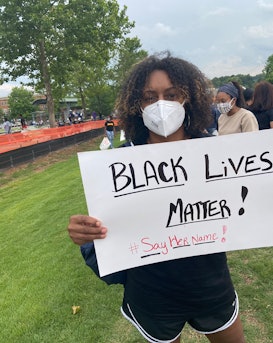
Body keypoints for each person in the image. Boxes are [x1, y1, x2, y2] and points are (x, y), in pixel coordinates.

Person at [67, 52, 246, 343]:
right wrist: (85, 231)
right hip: (152, 293)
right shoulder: (120, 164)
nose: (161, 104)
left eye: (172, 94)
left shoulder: (215, 154)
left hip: (211, 284)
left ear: (188, 98)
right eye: (150, 97)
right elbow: (106, 224)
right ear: (137, 105)